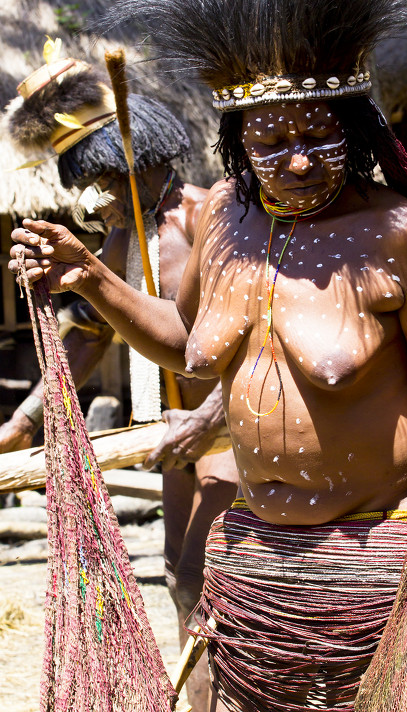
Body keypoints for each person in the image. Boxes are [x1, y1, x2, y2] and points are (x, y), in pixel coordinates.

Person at [9, 0, 407, 712]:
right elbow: (190, 349)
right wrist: (91, 277)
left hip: (377, 560)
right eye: (271, 143)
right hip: (252, 559)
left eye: (317, 137)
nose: (296, 161)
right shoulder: (226, 226)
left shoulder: (402, 234)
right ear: (239, 144)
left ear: (356, 130)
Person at [2, 52, 239, 712]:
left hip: (227, 430)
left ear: (136, 160)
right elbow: (86, 337)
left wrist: (207, 420)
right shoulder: (113, 247)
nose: (92, 194)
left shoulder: (207, 216)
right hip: (177, 446)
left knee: (206, 580)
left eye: (101, 175)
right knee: (180, 582)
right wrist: (22, 424)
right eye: (86, 180)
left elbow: (218, 341)